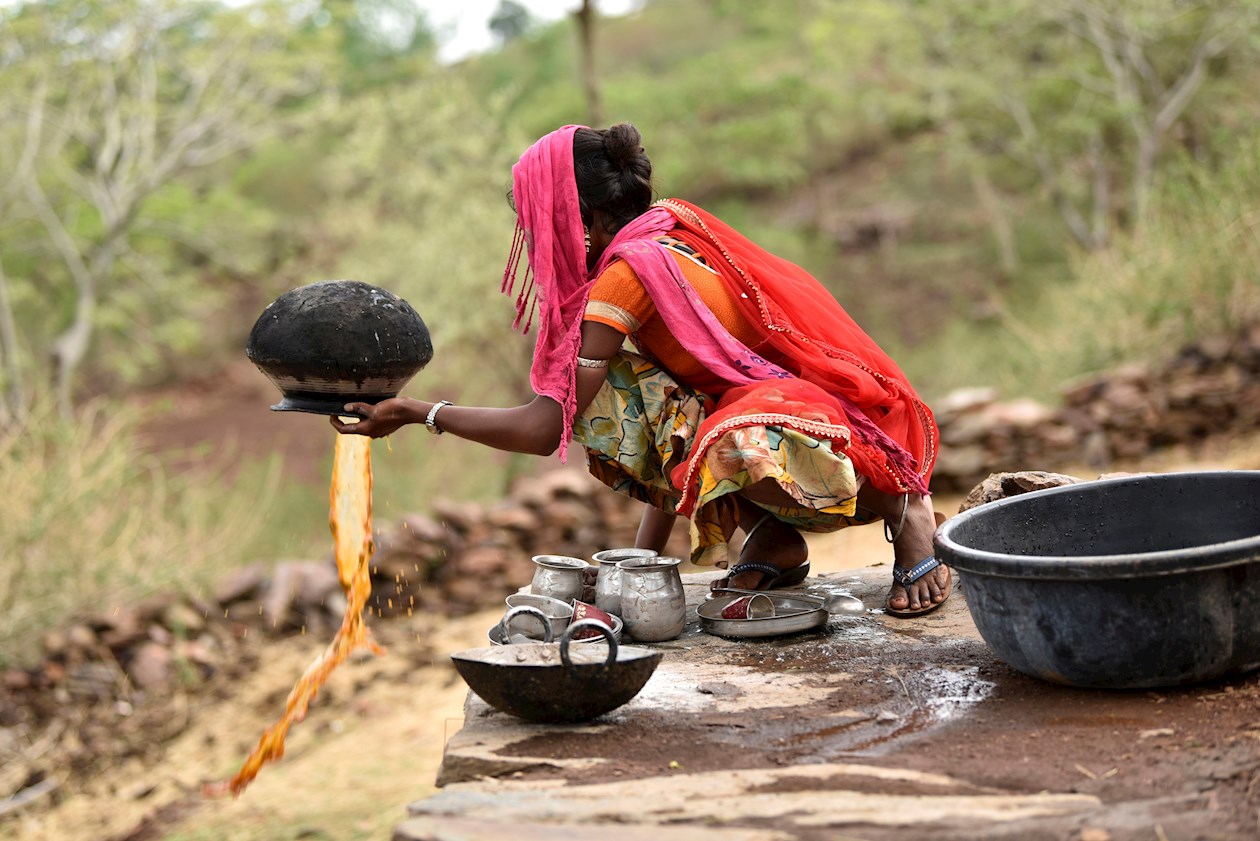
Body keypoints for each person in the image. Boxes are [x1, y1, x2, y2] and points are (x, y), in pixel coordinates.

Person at [332, 123, 951, 617]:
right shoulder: (663, 235)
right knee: (613, 394)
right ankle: (776, 540)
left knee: (721, 438)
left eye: (537, 218)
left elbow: (546, 426)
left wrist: (420, 412)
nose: (530, 233)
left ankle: (906, 513)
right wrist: (636, 573)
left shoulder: (628, 277)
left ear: (582, 218)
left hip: (835, 429)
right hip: (770, 409)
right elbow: (663, 425)